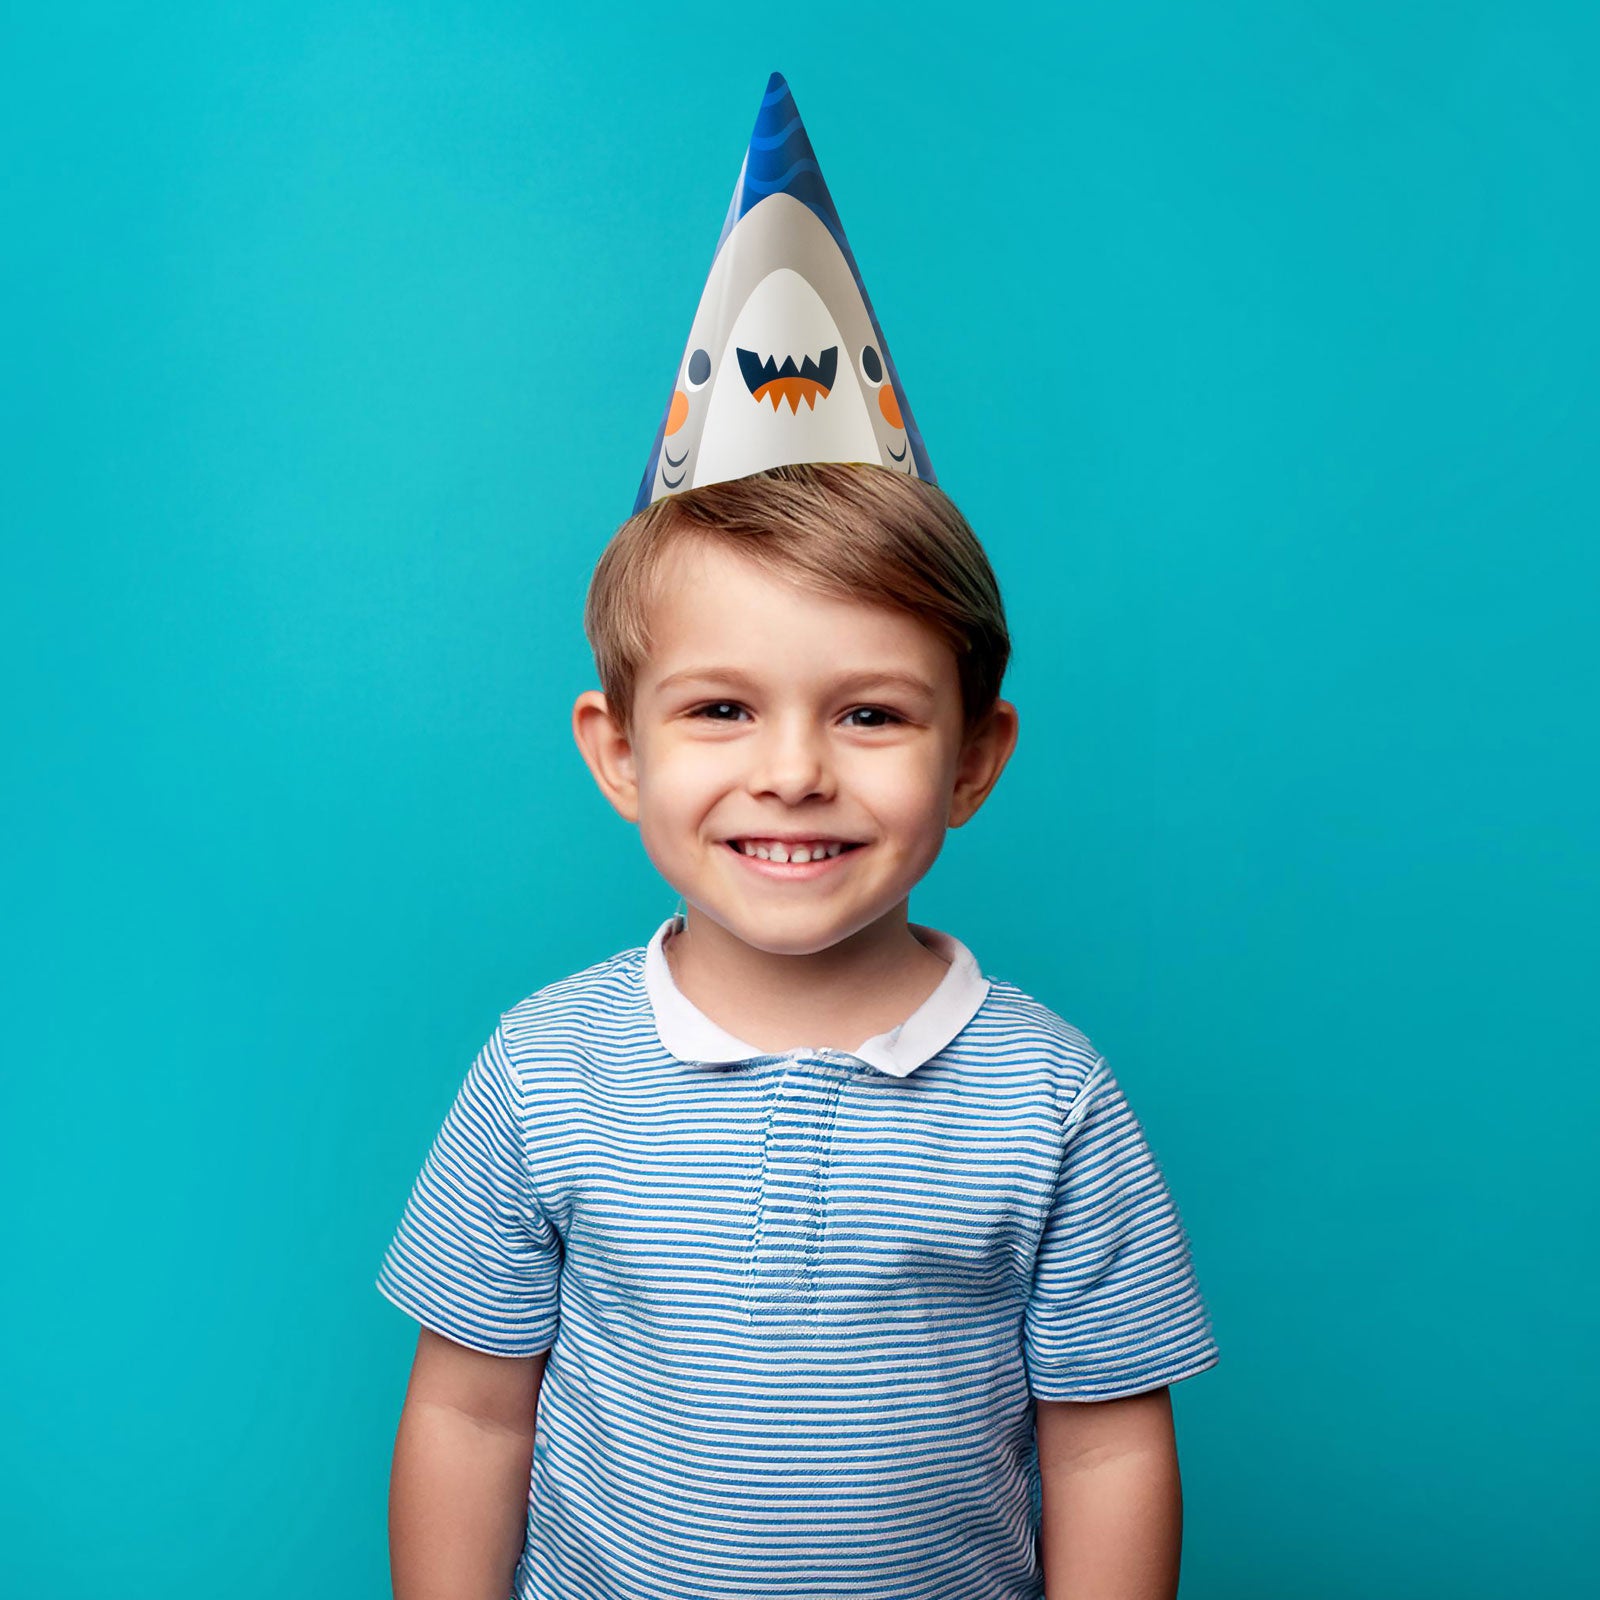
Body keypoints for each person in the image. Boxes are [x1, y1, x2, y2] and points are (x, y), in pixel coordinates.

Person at [377, 74, 1217, 1600]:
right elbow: (470, 1408)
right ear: (616, 753)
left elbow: (1102, 1443)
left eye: (873, 717)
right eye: (720, 712)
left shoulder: (1049, 1097)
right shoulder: (540, 1069)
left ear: (976, 761)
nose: (794, 774)